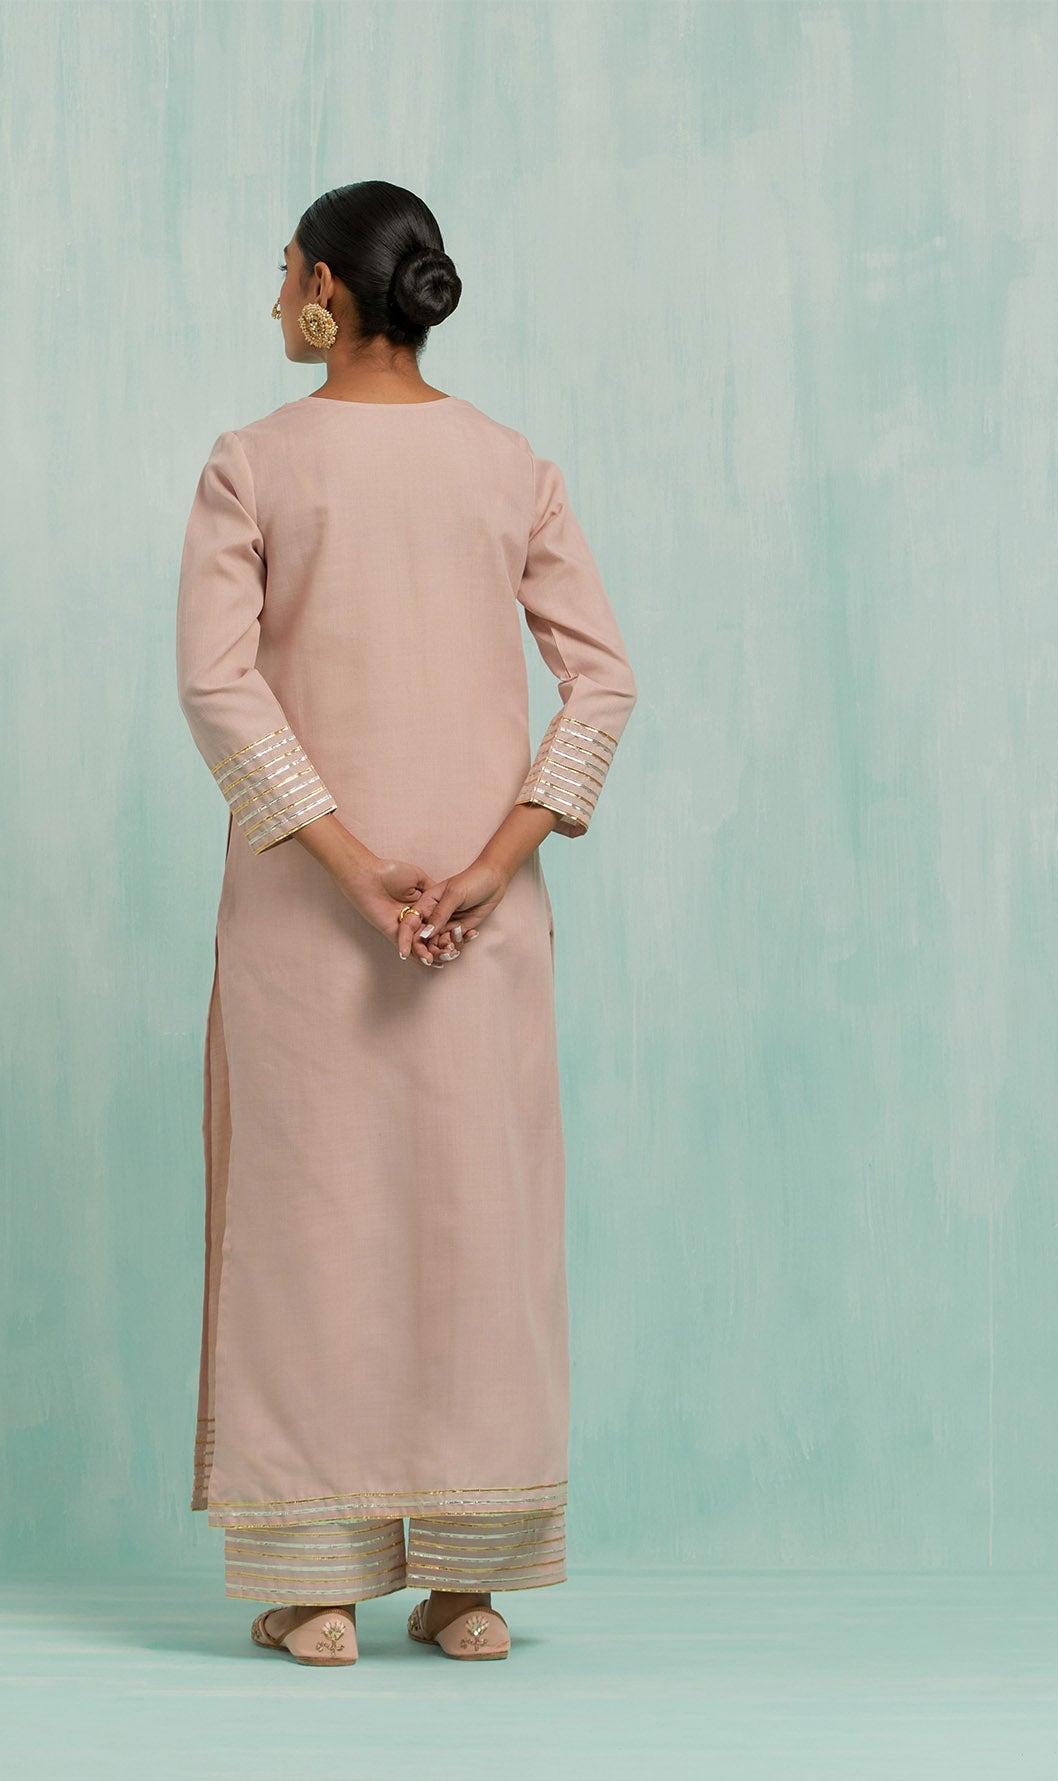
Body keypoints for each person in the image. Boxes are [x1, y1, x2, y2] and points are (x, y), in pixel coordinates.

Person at [175, 180, 638, 1667]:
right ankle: (466, 1584)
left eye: (282, 273)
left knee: (309, 1227)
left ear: (324, 289)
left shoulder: (254, 463)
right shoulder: (510, 464)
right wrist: (496, 861)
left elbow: (218, 685)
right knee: (475, 1226)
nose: (274, 298)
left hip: (314, 918)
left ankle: (317, 1584)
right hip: (477, 921)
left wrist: (350, 861)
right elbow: (604, 680)